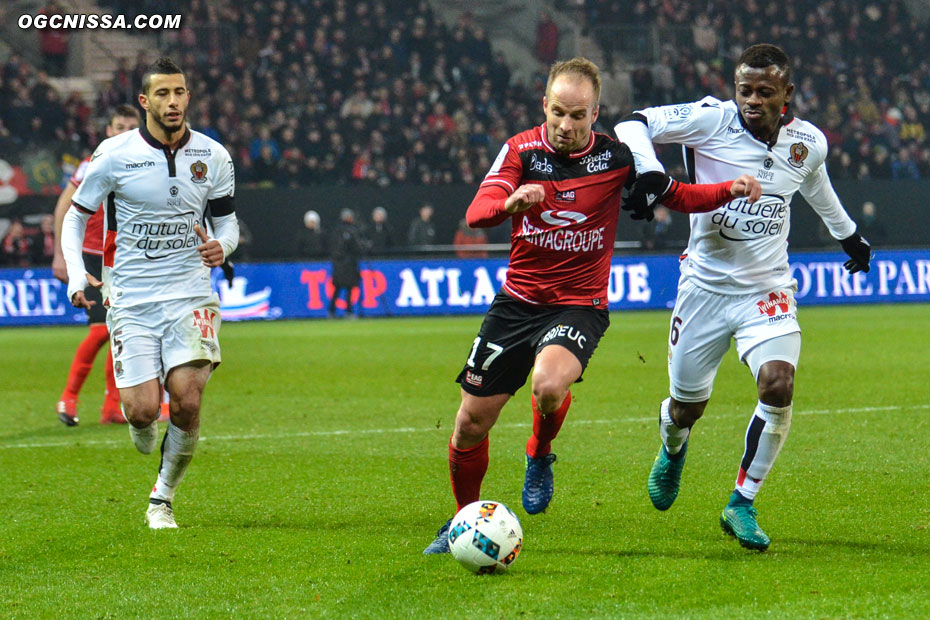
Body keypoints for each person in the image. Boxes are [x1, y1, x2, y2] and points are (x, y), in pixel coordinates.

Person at [423, 57, 762, 555]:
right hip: (518, 303)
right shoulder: (519, 151)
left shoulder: (617, 158)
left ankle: (538, 452)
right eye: (558, 112)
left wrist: (726, 190)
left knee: (548, 385)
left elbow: (676, 194)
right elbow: (477, 212)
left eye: (578, 116)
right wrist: (510, 204)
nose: (566, 125)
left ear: (595, 113)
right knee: (470, 422)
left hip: (579, 304)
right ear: (544, 105)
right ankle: (461, 522)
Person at [615, 43, 872, 552]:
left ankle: (742, 502)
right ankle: (673, 445)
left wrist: (849, 236)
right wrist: (650, 170)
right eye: (745, 90)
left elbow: (815, 186)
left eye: (764, 92)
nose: (751, 100)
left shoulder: (807, 142)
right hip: (704, 290)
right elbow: (632, 123)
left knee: (778, 384)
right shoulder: (711, 121)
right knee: (688, 408)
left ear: (787, 95)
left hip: (767, 289)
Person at [60, 57, 239, 529]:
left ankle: (162, 498)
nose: (173, 101)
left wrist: (225, 245)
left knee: (187, 398)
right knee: (141, 412)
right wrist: (78, 274)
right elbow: (76, 216)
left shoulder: (213, 155)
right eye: (163, 94)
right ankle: (144, 425)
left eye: (179, 92)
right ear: (145, 101)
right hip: (133, 297)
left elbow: (226, 221)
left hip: (190, 293)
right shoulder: (114, 154)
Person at [52, 104, 140, 426]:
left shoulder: (146, 164)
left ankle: (113, 408)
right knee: (101, 330)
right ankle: (69, 399)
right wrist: (62, 255)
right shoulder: (92, 164)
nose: (125, 132)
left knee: (121, 331)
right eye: (119, 126)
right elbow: (65, 206)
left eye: (131, 127)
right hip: (91, 255)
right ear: (108, 130)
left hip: (124, 258)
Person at [328, 208, 366, 318]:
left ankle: (331, 311)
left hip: (338, 264)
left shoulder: (336, 231)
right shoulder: (352, 231)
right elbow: (357, 247)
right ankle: (348, 311)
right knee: (348, 289)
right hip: (349, 264)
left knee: (337, 289)